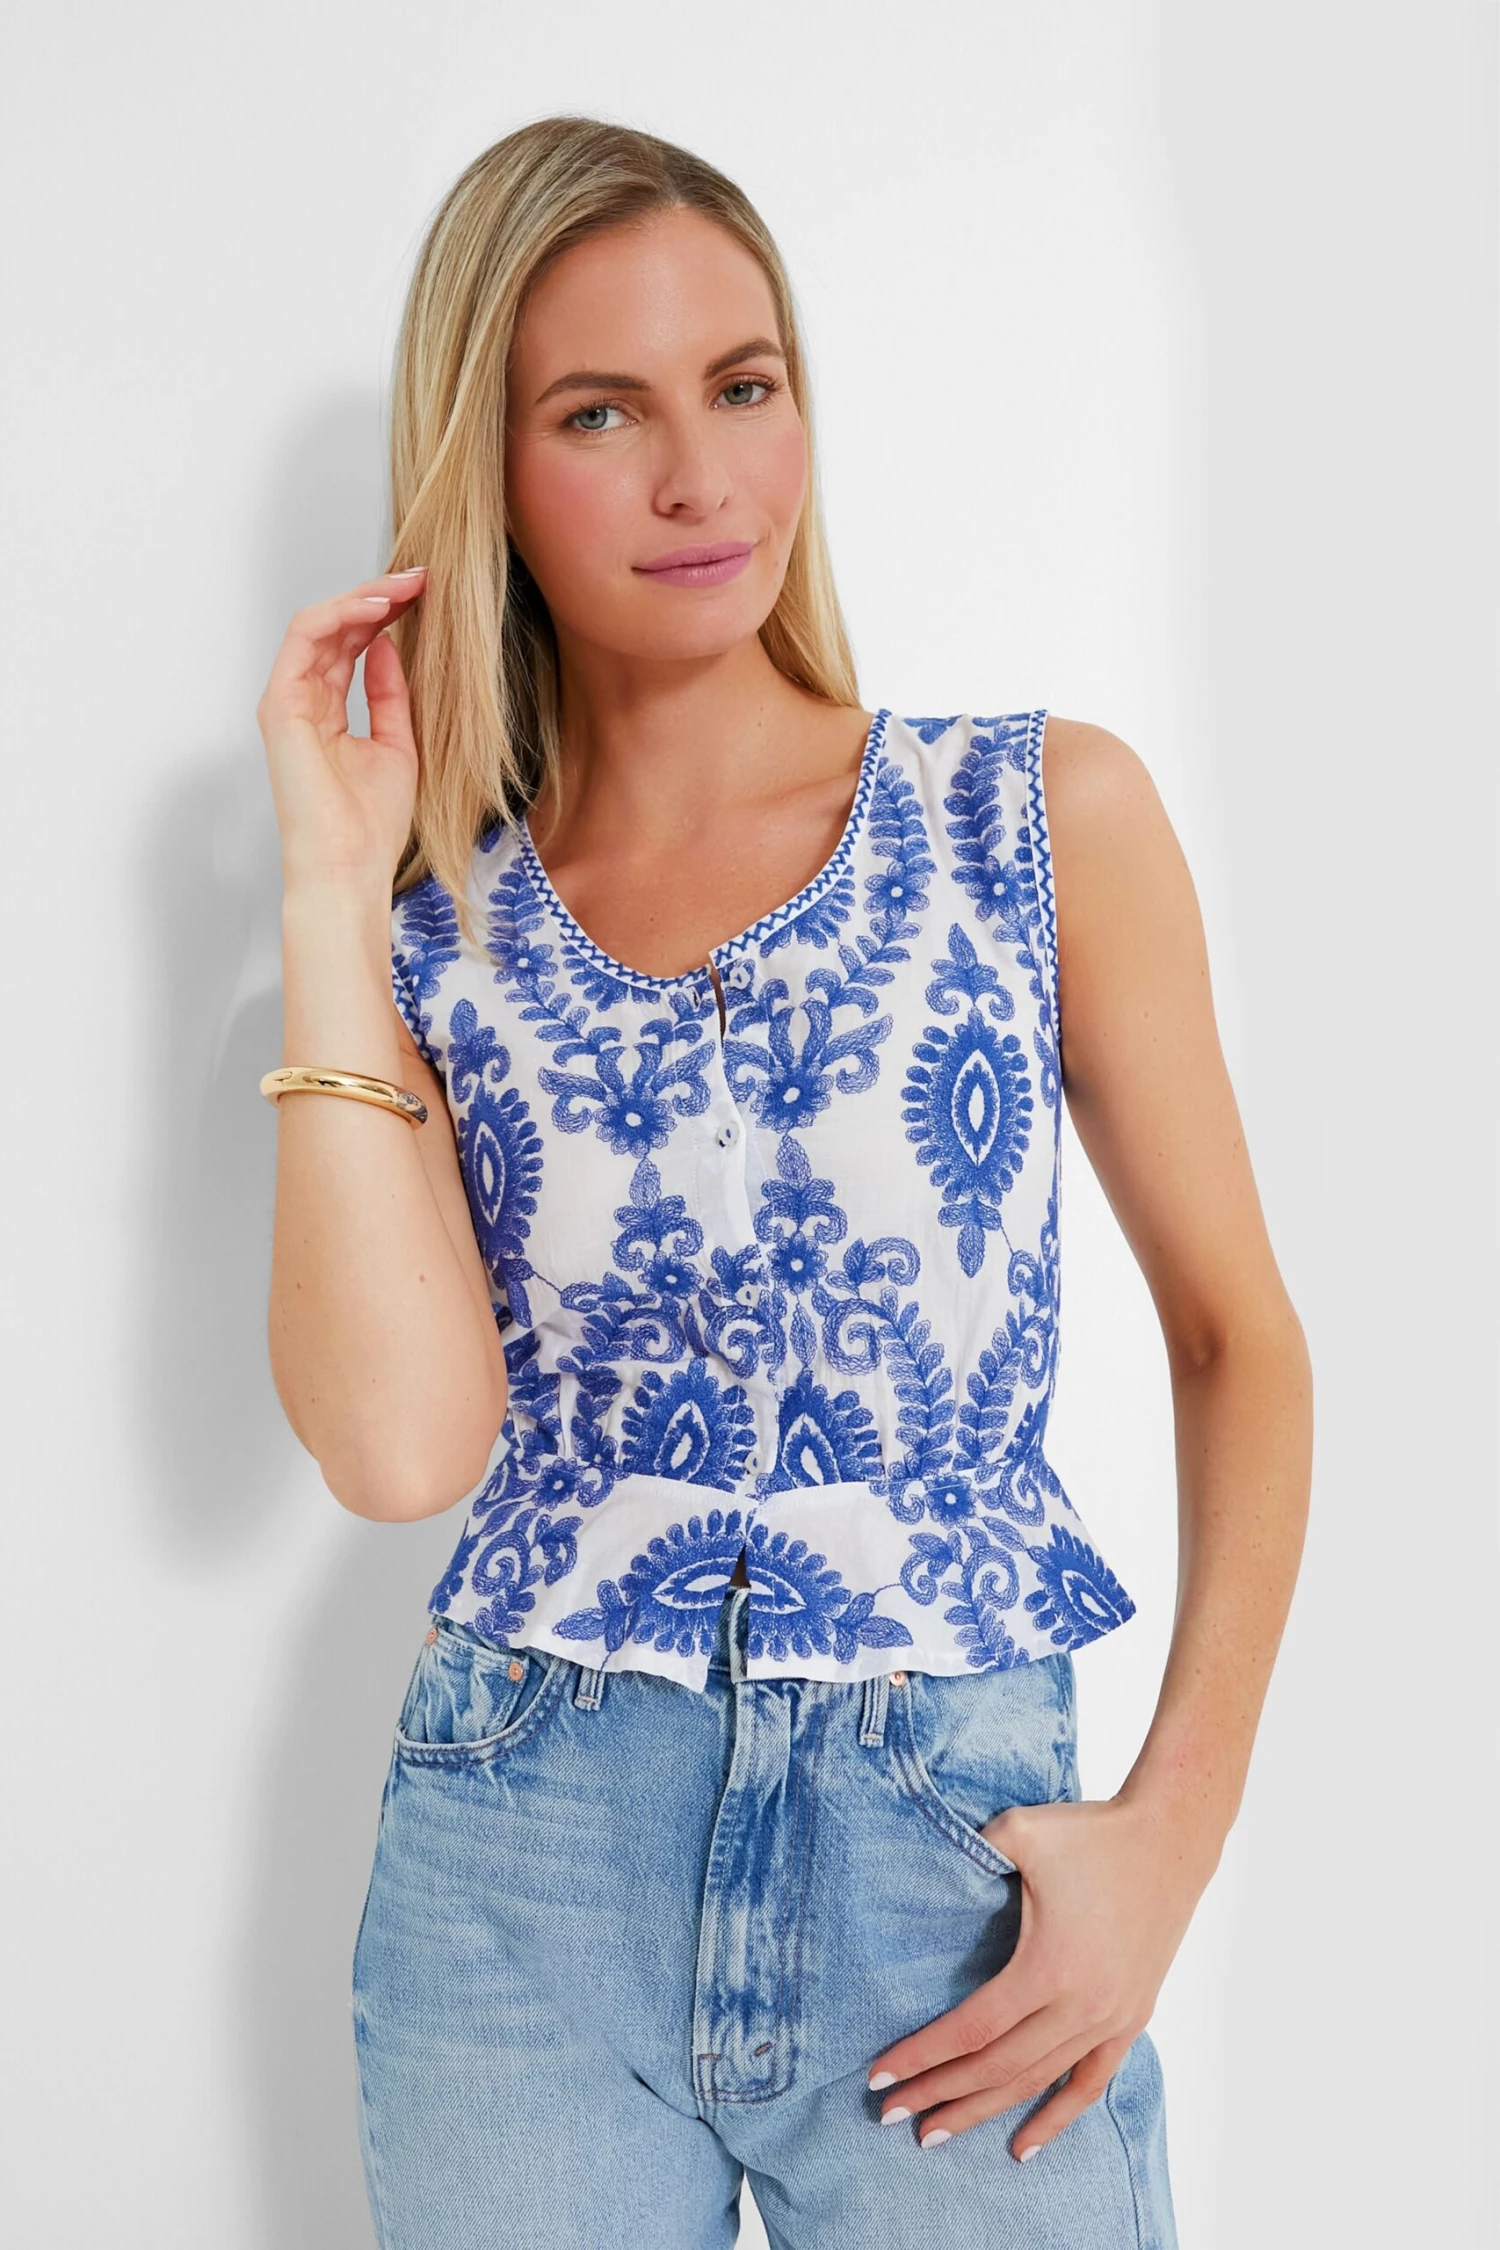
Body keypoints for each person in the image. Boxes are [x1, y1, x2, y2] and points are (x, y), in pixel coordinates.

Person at [255, 116, 1311, 2250]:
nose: (699, 477)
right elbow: (398, 1453)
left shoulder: (1034, 822)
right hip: (521, 1863)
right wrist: (327, 893)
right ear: (487, 472)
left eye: (742, 385)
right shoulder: (435, 936)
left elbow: (1240, 1341)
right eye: (599, 413)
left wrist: (1173, 1838)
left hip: (955, 1870)